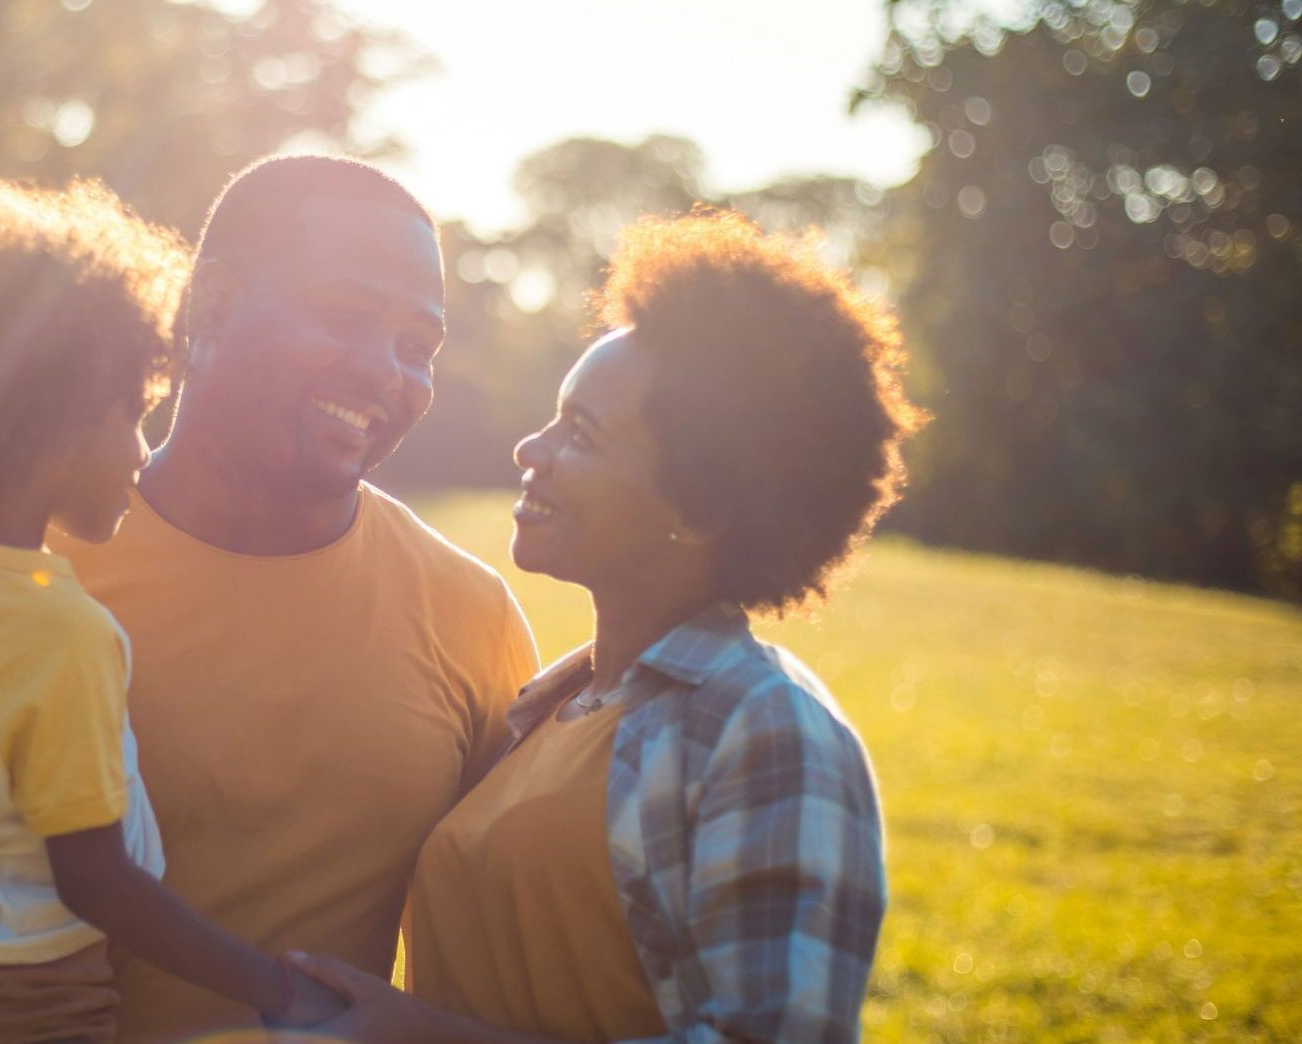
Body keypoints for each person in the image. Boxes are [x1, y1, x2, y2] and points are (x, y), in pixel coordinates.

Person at [0, 155, 541, 1042]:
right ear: (210, 304)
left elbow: (507, 919)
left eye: (419, 346)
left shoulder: (471, 613)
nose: (384, 370)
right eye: (345, 316)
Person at [289, 209, 925, 1042]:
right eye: (554, 417)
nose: (531, 449)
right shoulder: (552, 705)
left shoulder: (766, 730)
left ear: (699, 510)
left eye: (580, 435)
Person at [0, 172, 352, 1041]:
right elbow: (96, 880)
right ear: (60, 421)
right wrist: (274, 986)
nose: (143, 450)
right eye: (135, 415)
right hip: (21, 994)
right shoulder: (60, 633)